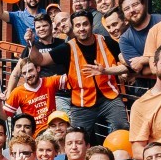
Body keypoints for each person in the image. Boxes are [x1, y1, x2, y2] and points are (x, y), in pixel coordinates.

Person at [29, 11, 129, 143]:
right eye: (78, 25)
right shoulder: (66, 48)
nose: (81, 28)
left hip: (109, 97)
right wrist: (32, 43)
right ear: (73, 28)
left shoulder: (107, 41)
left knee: (122, 127)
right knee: (76, 139)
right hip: (82, 102)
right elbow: (40, 60)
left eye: (85, 24)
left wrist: (110, 71)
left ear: (92, 25)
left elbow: (126, 64)